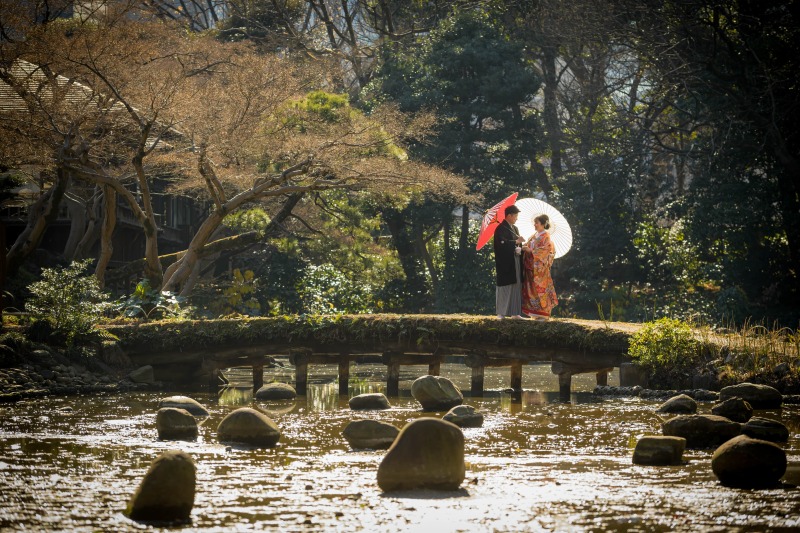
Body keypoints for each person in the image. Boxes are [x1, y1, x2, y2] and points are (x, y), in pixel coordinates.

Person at [521, 214, 558, 320]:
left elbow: (545, 251)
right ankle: (535, 313)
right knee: (531, 289)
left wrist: (530, 250)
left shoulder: (546, 236)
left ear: (543, 224)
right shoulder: (534, 235)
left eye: (536, 223)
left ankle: (543, 314)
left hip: (539, 269)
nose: (535, 225)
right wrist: (523, 247)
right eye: (534, 223)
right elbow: (529, 246)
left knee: (541, 290)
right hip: (530, 267)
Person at [493, 204, 525, 319]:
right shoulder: (500, 228)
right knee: (505, 286)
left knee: (517, 284)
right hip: (505, 263)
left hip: (515, 260)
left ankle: (515, 313)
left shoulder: (514, 228)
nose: (517, 218)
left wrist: (520, 247)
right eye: (515, 216)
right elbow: (501, 244)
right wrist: (516, 242)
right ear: (509, 215)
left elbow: (517, 243)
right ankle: (501, 313)